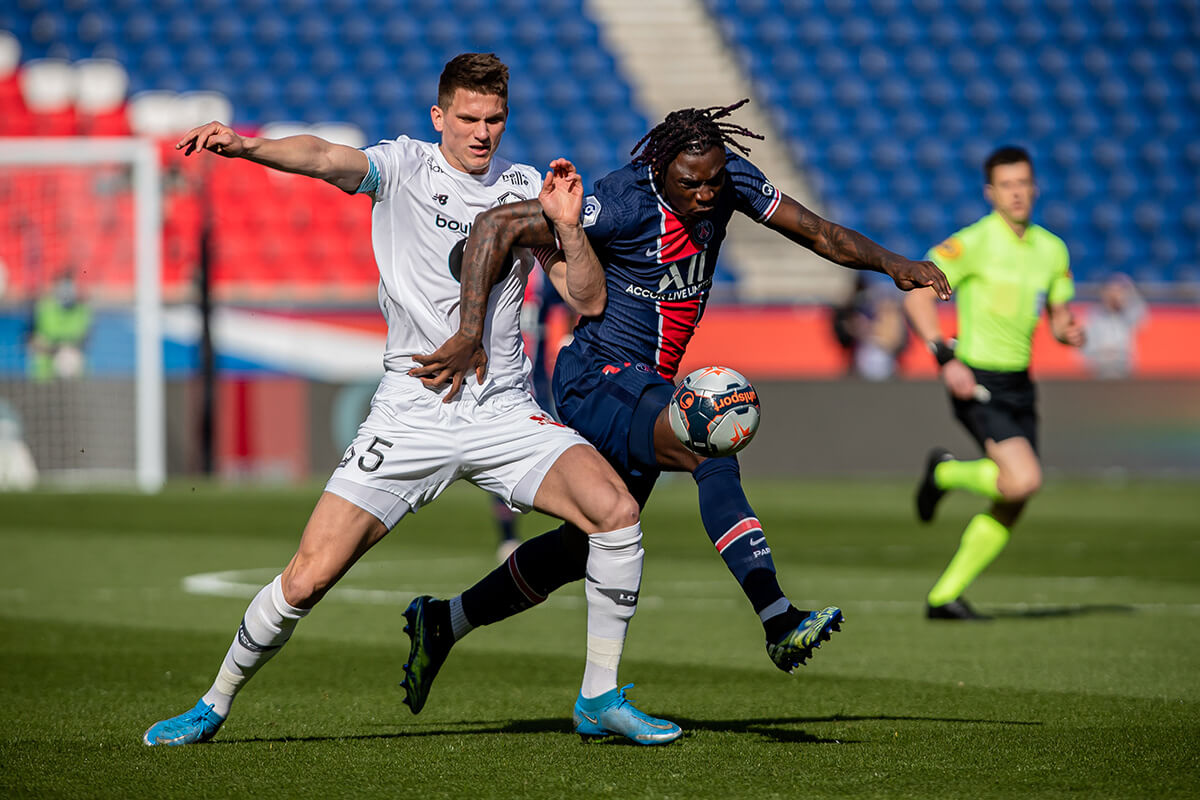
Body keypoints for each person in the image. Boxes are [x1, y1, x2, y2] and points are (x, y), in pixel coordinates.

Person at [143, 53, 681, 747]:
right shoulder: (402, 167)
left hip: (502, 410)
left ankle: (599, 696)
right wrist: (247, 146)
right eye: (467, 119)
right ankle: (213, 704)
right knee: (306, 580)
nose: (481, 133)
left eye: (493, 120)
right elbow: (321, 156)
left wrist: (570, 226)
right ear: (439, 118)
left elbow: (588, 298)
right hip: (413, 409)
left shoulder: (523, 189)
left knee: (616, 514)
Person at [399, 100, 951, 713]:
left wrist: (894, 265)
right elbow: (497, 226)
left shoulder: (727, 180)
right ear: (660, 170)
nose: (707, 194)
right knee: (710, 437)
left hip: (646, 387)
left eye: (715, 179)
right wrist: (470, 330)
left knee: (585, 546)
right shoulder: (624, 199)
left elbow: (818, 232)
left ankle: (445, 621)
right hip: (595, 378)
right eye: (691, 183)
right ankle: (776, 616)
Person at [903, 145, 1085, 620]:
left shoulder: (1052, 249)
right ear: (991, 192)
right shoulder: (974, 243)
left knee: (1013, 499)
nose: (1017, 192)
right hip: (976, 377)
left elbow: (1060, 319)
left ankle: (944, 597)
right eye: (1007, 184)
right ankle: (943, 473)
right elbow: (918, 295)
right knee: (1023, 479)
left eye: (1023, 182)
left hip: (1020, 383)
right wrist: (944, 355)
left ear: (1035, 187)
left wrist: (1069, 332)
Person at [28, 272, 91, 381]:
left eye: (69, 287)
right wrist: (56, 350)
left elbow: (87, 340)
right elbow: (31, 341)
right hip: (44, 377)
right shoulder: (44, 309)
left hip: (75, 377)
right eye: (62, 287)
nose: (66, 291)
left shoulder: (82, 311)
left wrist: (69, 350)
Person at [1082, 272, 1145, 378]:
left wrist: (1130, 287)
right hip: (1100, 370)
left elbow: (1142, 314)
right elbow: (1085, 348)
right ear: (1104, 293)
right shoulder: (1094, 316)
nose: (1115, 295)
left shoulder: (1128, 315)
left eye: (1119, 292)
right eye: (1112, 291)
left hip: (1124, 369)